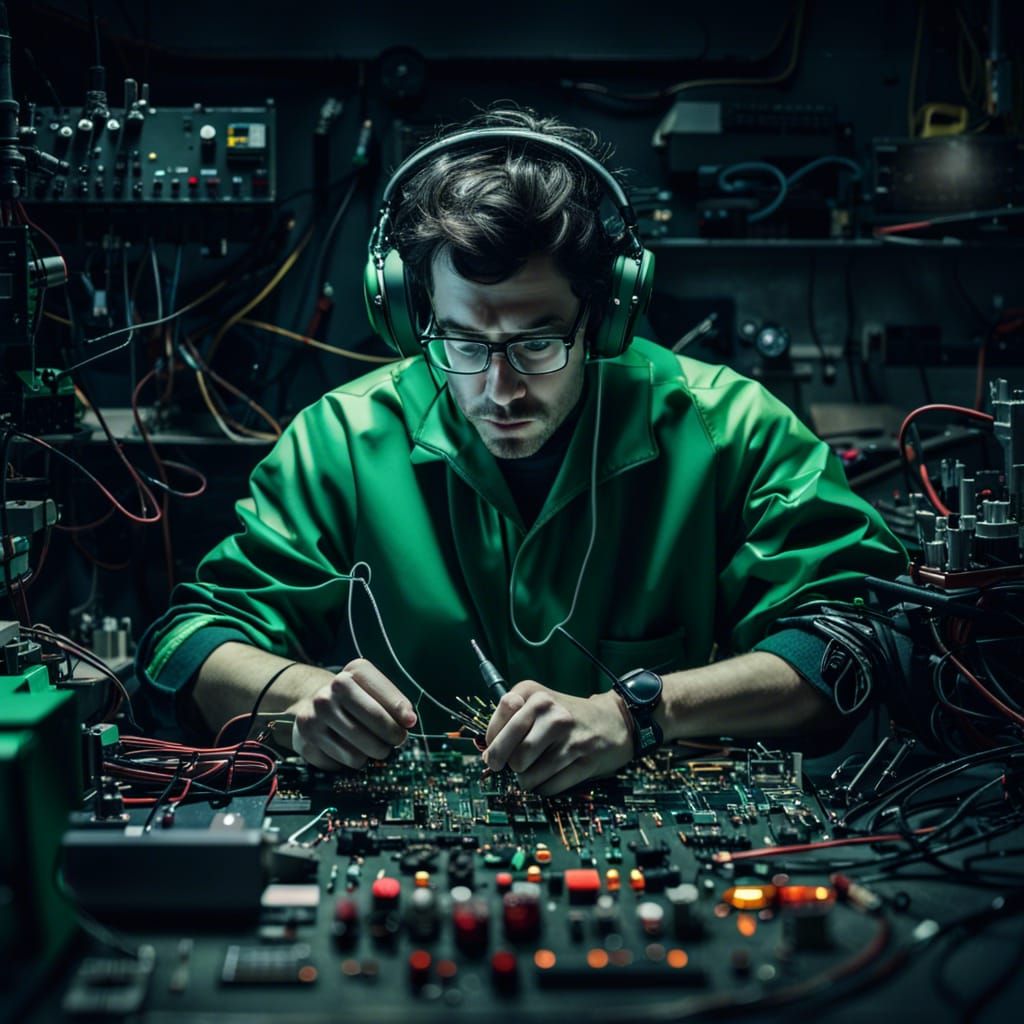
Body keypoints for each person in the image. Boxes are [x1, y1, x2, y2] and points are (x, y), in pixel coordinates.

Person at [136, 108, 906, 795]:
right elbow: (188, 643)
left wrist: (639, 714)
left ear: (603, 318)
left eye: (537, 341)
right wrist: (298, 697)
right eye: (464, 341)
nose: (499, 388)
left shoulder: (732, 428)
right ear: (414, 318)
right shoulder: (339, 439)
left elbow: (853, 640)